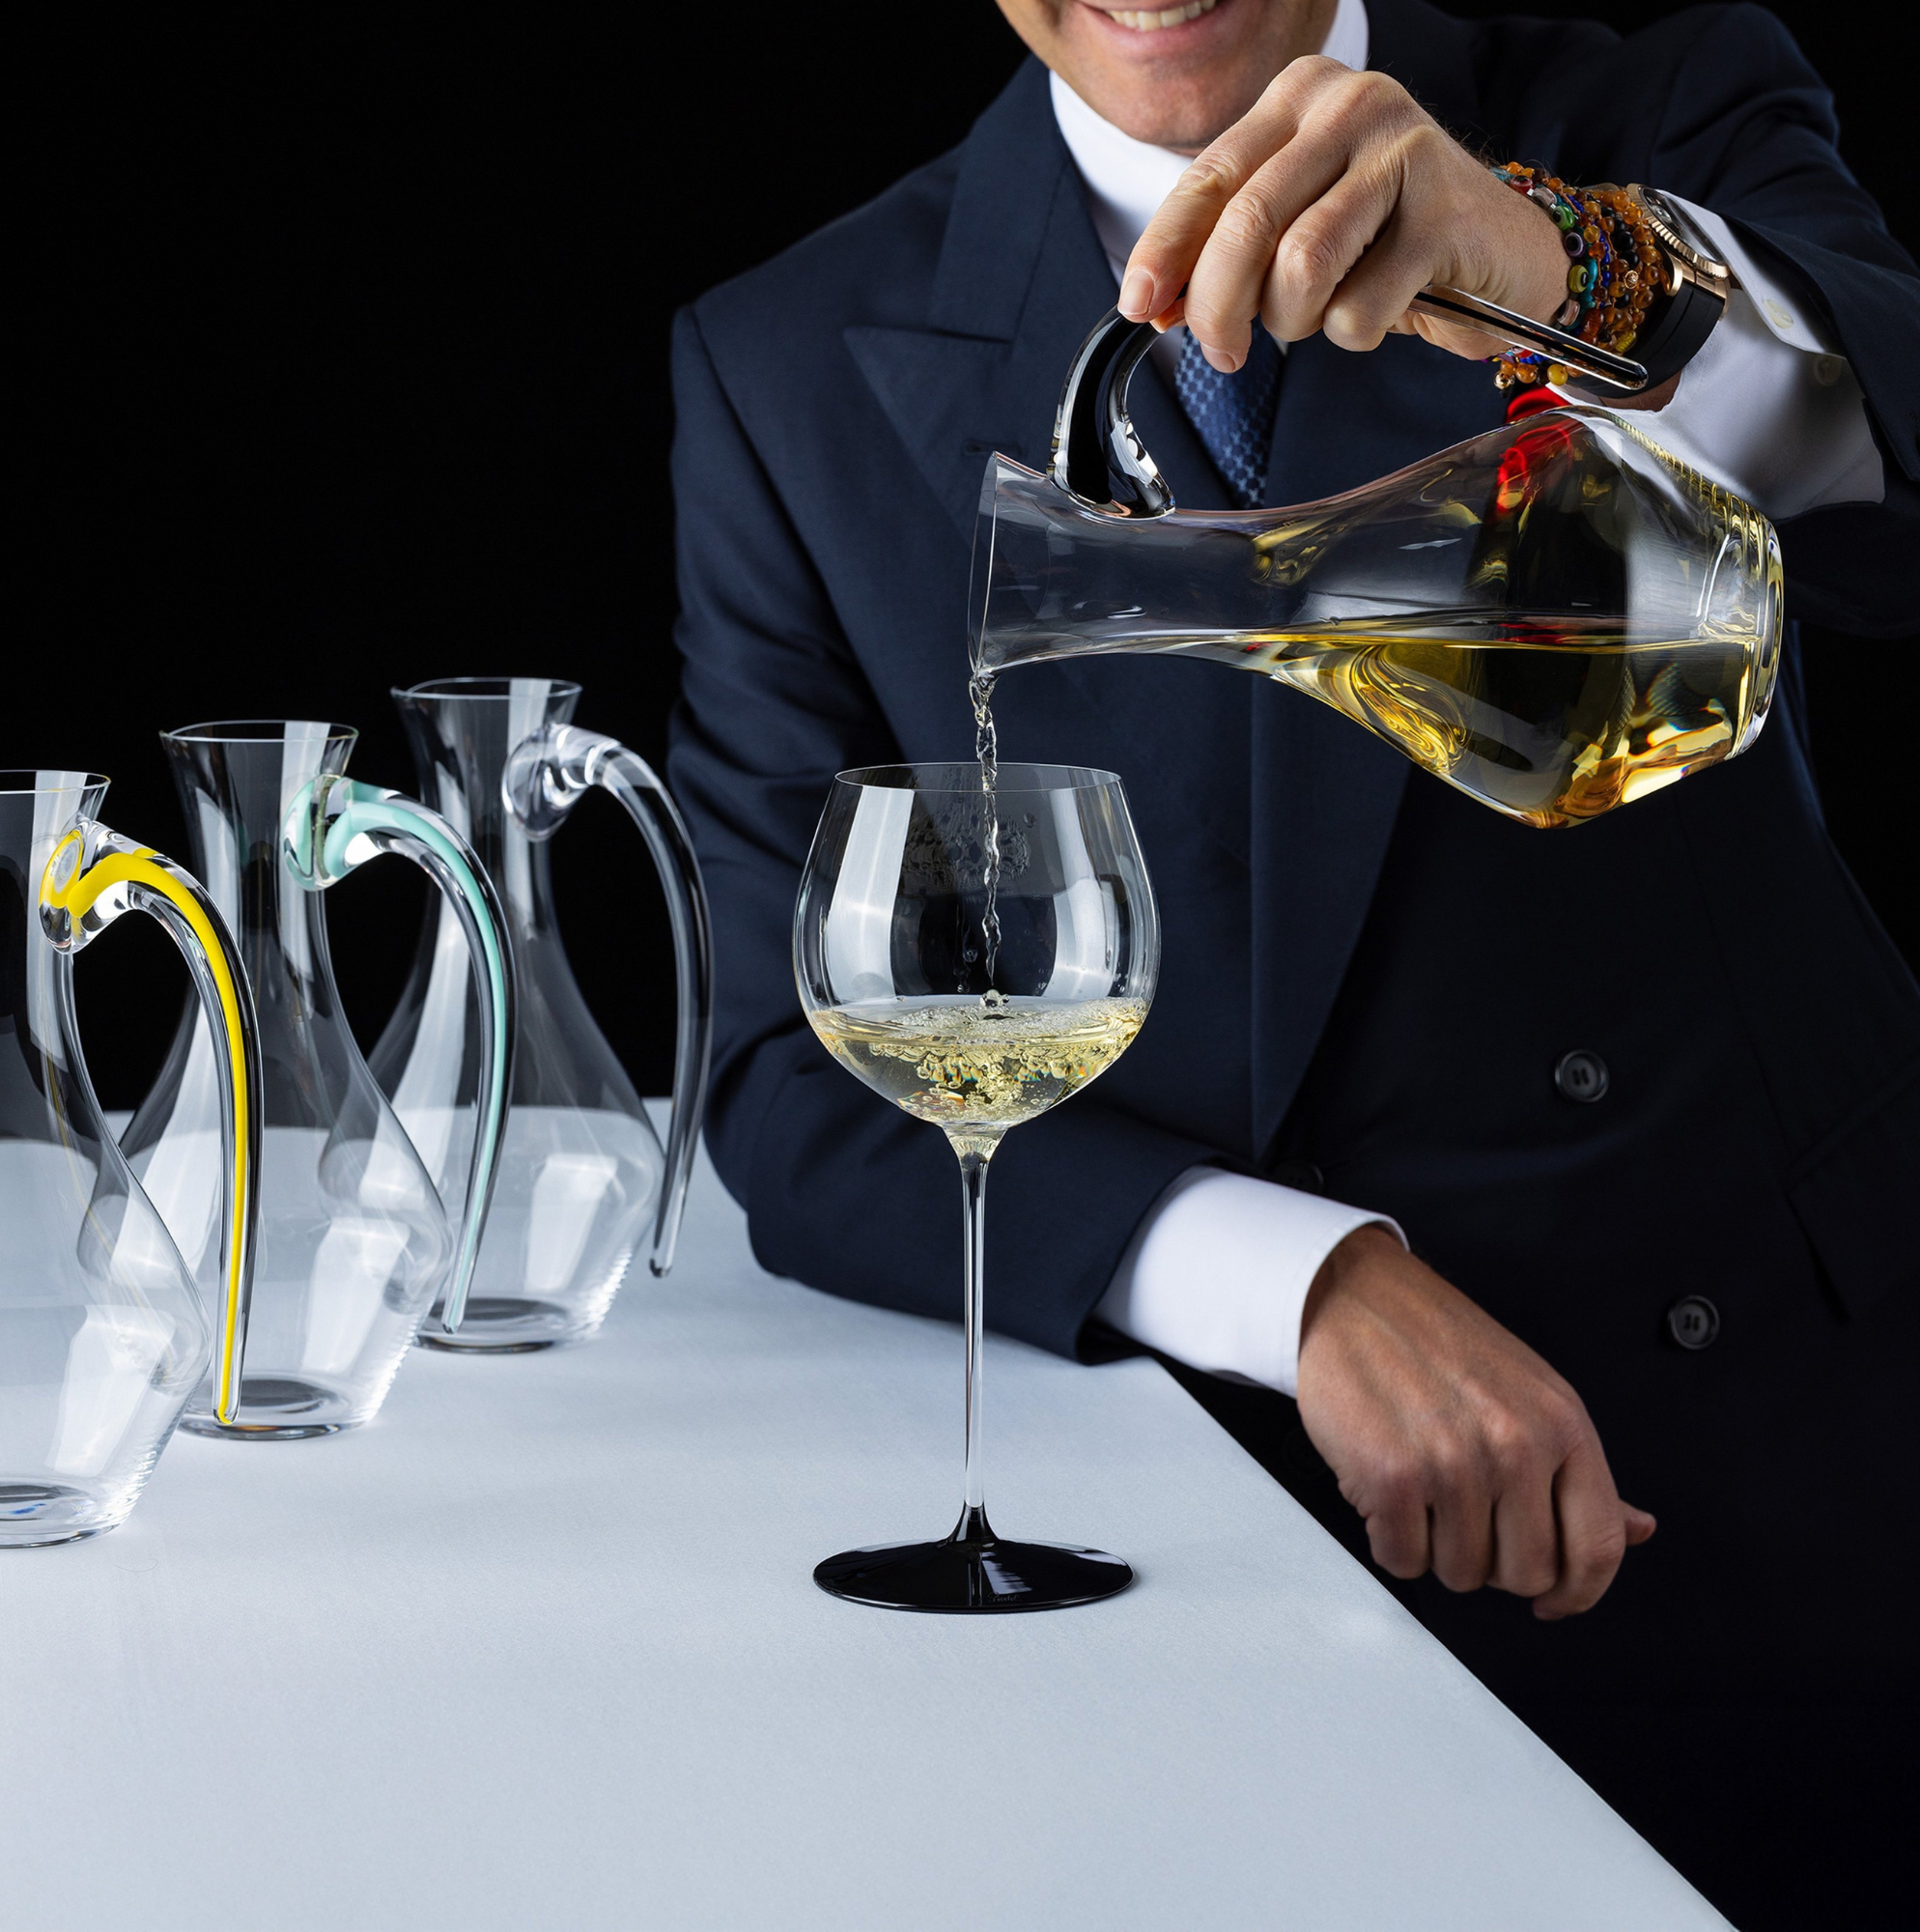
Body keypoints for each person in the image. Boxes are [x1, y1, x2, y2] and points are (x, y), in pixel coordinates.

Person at [665, 2, 1918, 1921]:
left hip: (1767, 1470)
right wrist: (1302, 1283)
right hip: (1201, 1543)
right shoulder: (786, 356)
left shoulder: (1648, 114)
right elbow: (788, 1067)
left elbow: (1882, 480)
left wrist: (1544, 263)